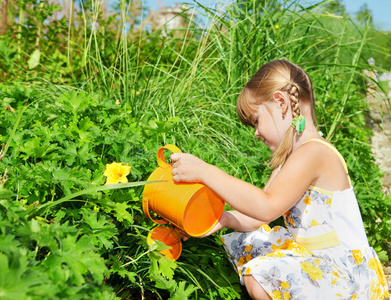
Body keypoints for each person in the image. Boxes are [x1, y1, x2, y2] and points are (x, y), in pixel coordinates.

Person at [170, 59, 390, 300]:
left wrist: (206, 171)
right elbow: (256, 214)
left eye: (256, 120)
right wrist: (221, 218)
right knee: (247, 239)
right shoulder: (292, 157)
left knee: (262, 275)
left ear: (281, 102)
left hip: (346, 275)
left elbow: (266, 206)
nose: (255, 133)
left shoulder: (314, 152)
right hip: (318, 262)